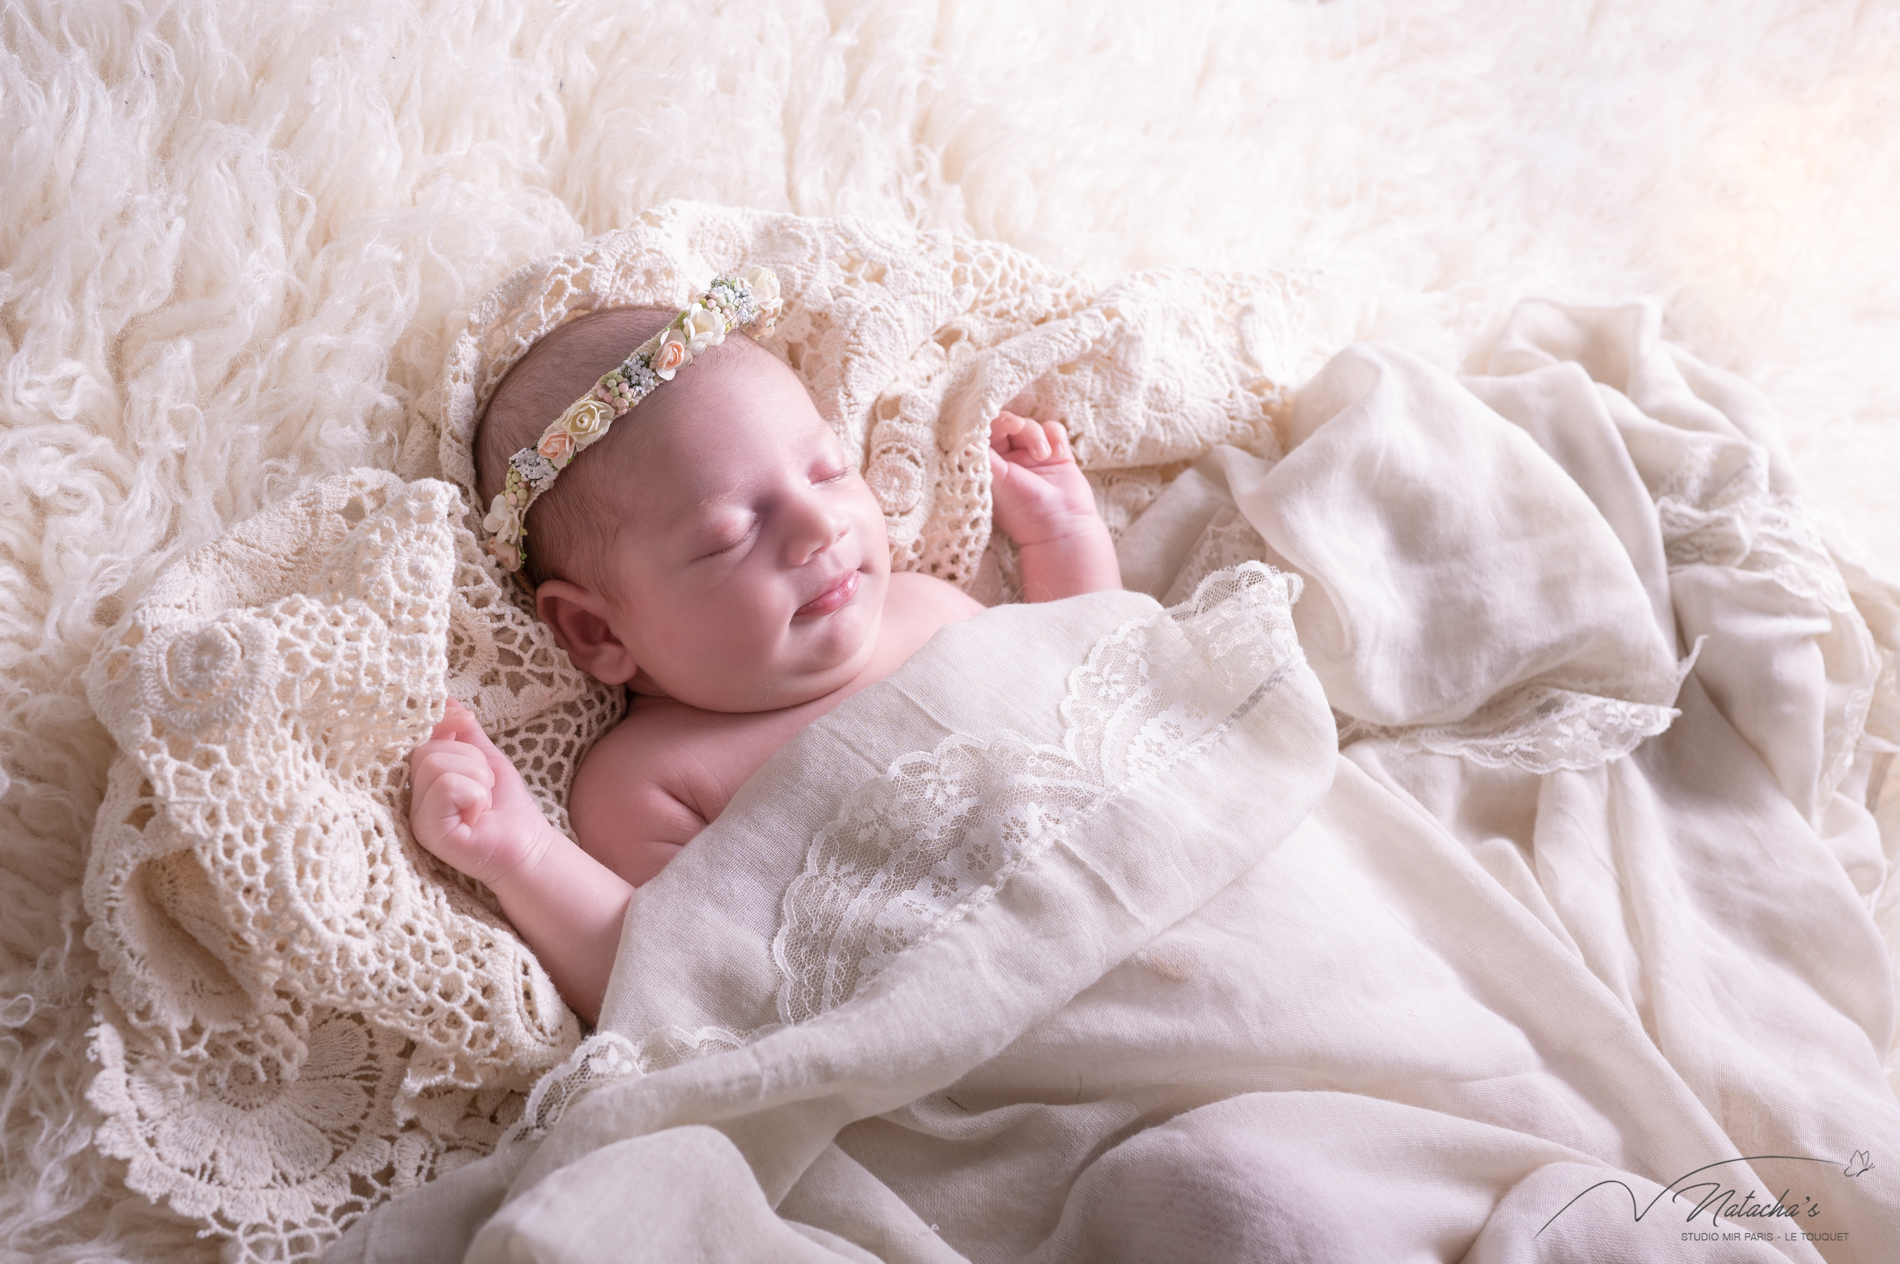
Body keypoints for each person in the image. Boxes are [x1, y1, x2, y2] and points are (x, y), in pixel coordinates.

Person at [407, 270, 1122, 1022]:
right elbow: (674, 979)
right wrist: (522, 857)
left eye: (827, 470)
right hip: (979, 1013)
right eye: (733, 534)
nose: (820, 525)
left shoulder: (924, 602)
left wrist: (1063, 534)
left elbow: (1106, 681)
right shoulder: (654, 777)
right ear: (597, 631)